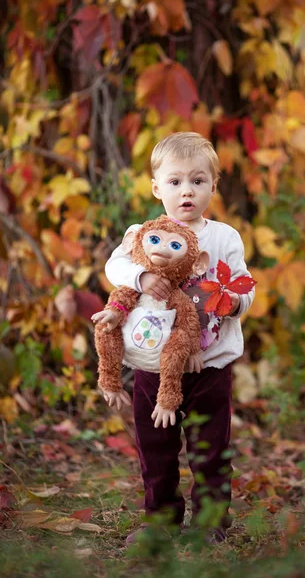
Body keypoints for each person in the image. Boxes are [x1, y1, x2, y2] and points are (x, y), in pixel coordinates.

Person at [92, 132, 255, 544]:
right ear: (156, 188)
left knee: (209, 446)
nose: (187, 191)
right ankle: (160, 520)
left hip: (210, 364)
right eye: (176, 181)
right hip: (153, 363)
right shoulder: (142, 233)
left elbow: (243, 284)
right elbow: (115, 268)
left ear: (213, 187)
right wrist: (142, 277)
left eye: (198, 181)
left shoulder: (224, 238)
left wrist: (235, 303)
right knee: (156, 445)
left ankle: (211, 521)